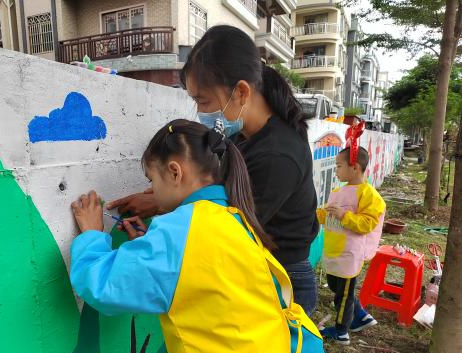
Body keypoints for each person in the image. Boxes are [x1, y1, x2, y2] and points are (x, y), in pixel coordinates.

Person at [70, 120, 334, 353]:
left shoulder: (177, 234)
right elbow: (199, 272)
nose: (151, 191)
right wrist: (150, 249)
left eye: (151, 181)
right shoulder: (229, 214)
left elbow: (101, 285)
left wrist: (92, 234)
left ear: (175, 171)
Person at [106, 26, 320, 316]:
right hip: (257, 270)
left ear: (241, 92)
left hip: (281, 282)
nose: (200, 112)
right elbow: (216, 191)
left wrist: (162, 208)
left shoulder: (276, 155)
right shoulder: (241, 135)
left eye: (203, 100)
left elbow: (227, 231)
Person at [317, 144, 385, 345]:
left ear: (354, 167)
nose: (336, 170)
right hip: (334, 249)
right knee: (337, 287)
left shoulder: (369, 195)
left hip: (349, 253)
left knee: (343, 296)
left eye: (339, 166)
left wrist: (344, 215)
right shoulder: (339, 191)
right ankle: (361, 317)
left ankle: (341, 331)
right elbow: (327, 214)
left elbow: (367, 224)